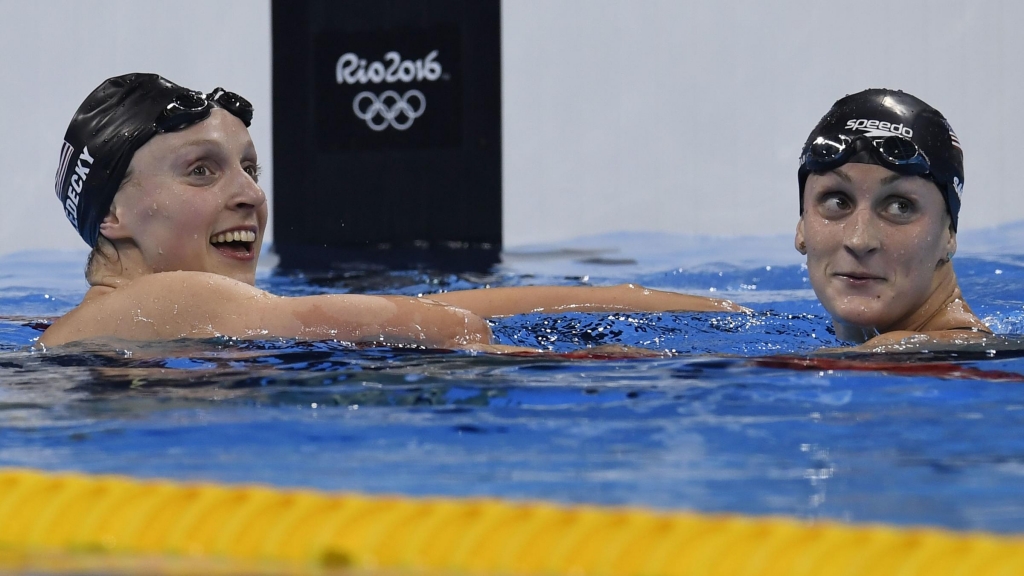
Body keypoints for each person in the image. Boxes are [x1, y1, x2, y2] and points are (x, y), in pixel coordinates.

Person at [39, 73, 744, 349]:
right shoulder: (167, 300)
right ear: (113, 216)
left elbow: (443, 304)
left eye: (250, 167)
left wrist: (670, 307)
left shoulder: (113, 319)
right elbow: (437, 327)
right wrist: (587, 366)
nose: (249, 193)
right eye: (202, 171)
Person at [794, 89, 991, 349]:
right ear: (801, 227)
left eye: (900, 207)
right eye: (837, 201)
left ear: (949, 235)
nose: (859, 240)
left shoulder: (898, 353)